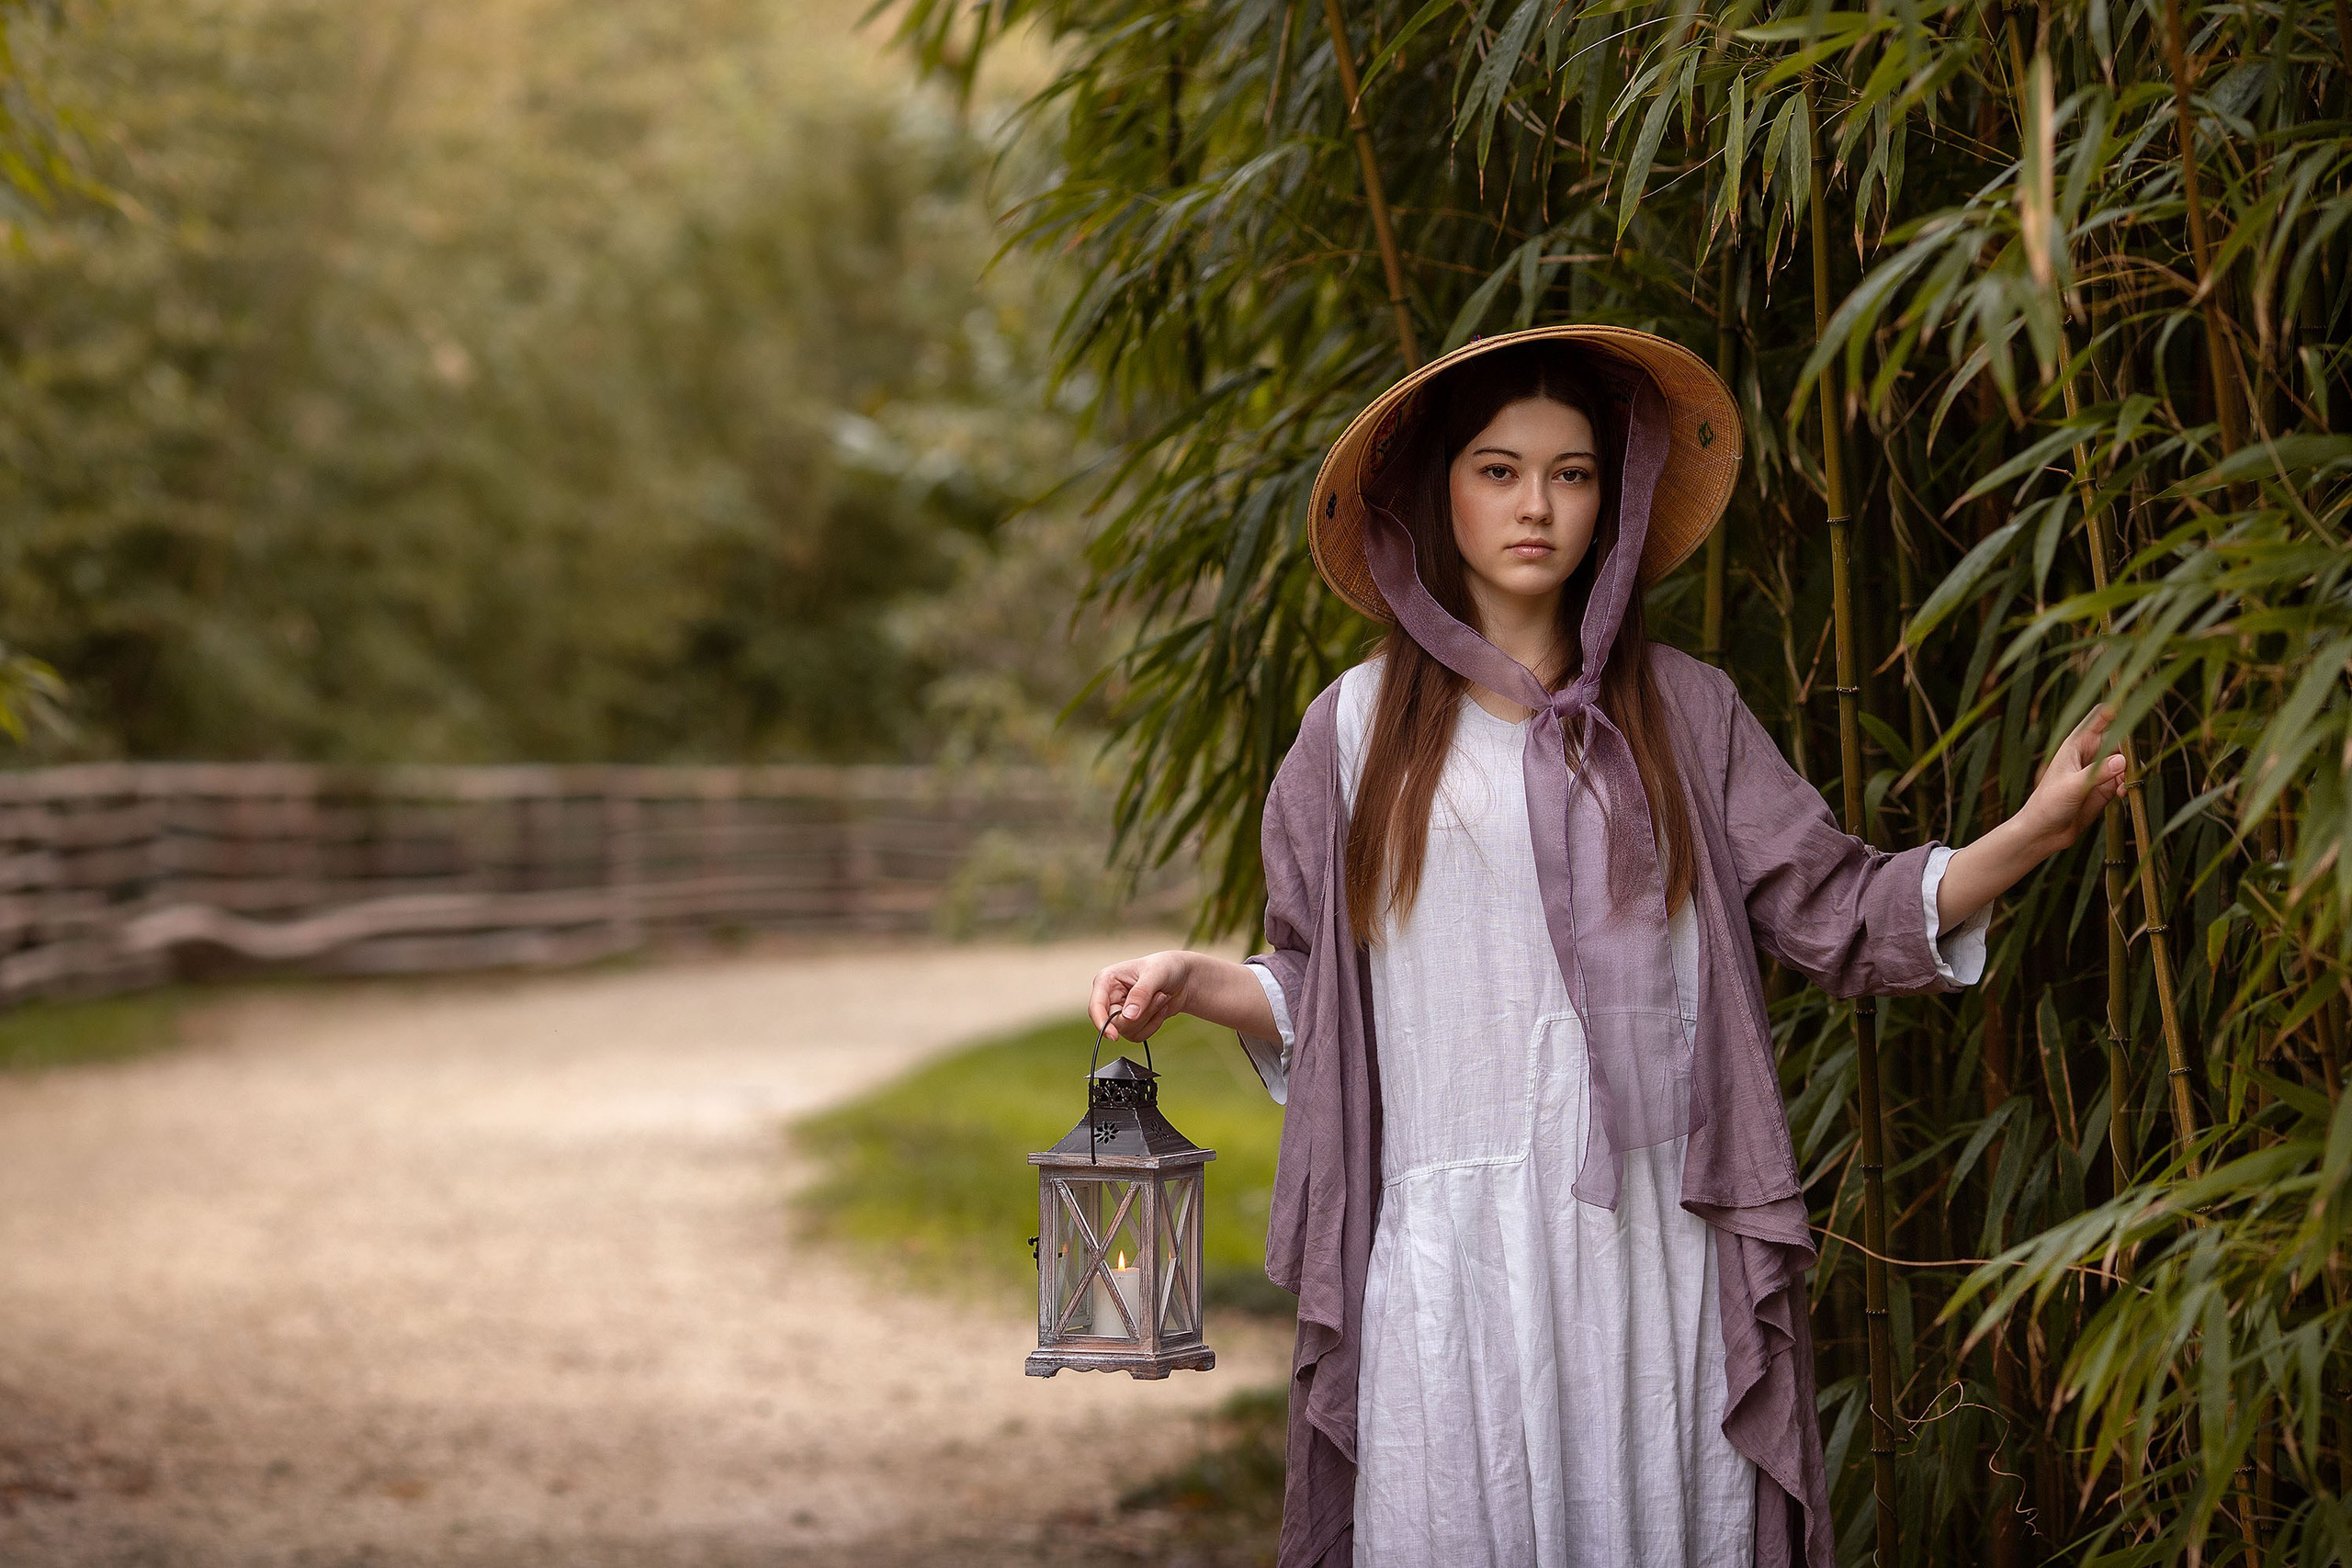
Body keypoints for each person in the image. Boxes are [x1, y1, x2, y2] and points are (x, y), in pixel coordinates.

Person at [1087, 325, 2124, 1568]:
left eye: (1573, 473)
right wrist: (1205, 982)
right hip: (1451, 1260)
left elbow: (1836, 909)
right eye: (1499, 469)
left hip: (1655, 1247)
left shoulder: (1682, 710)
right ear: (1440, 492)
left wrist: (2032, 830)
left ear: (1614, 498)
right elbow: (1326, 989)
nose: (1539, 505)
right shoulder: (1353, 735)